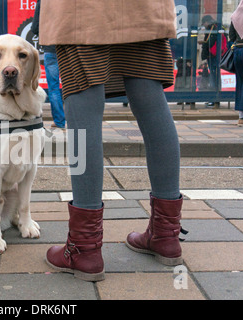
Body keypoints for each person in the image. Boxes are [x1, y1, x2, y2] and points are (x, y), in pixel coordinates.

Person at [39, 0, 183, 281]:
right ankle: (167, 236)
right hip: (142, 9)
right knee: (153, 106)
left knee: (83, 117)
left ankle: (85, 248)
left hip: (83, 11)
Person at [31, 0, 65, 129]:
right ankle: (75, 120)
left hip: (51, 49)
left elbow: (34, 27)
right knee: (73, 86)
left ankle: (60, 122)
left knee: (54, 89)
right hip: (68, 50)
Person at [200, 15, 227, 108]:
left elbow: (209, 42)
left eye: (204, 24)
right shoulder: (219, 26)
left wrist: (204, 44)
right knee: (216, 76)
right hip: (218, 55)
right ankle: (216, 98)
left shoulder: (212, 28)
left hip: (212, 55)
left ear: (207, 22)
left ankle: (213, 99)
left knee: (213, 77)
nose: (204, 26)